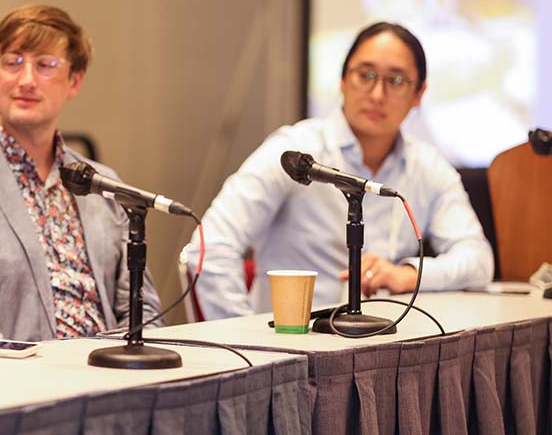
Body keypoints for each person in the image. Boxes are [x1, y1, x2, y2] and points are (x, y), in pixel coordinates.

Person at [0, 4, 162, 355]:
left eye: (45, 64)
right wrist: (47, 366)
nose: (26, 80)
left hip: (108, 382)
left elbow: (141, 313)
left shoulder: (103, 184)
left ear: (75, 81)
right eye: (12, 62)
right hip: (10, 389)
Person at [185, 22, 494, 320]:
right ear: (343, 80)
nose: (377, 94)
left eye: (396, 81)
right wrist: (250, 345)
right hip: (296, 354)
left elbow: (478, 259)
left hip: (389, 352)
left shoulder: (427, 166)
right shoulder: (295, 152)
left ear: (419, 94)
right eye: (365, 75)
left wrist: (408, 275)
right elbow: (209, 247)